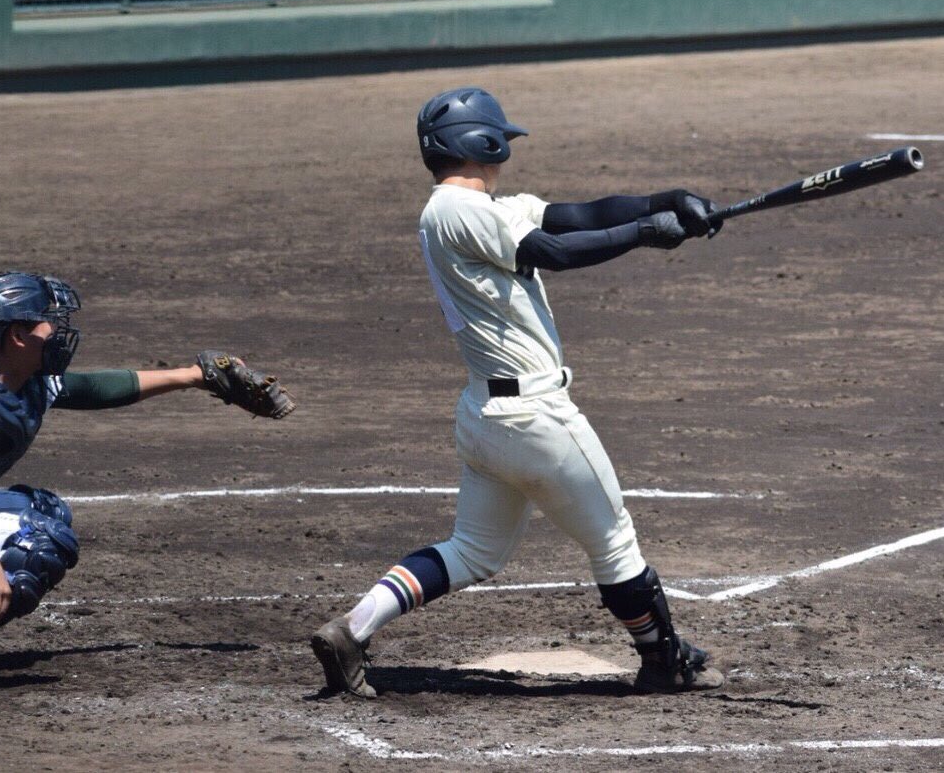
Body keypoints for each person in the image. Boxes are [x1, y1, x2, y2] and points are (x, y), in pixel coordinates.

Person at [310, 87, 726, 697]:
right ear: (483, 141)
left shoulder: (484, 209)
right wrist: (646, 233)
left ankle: (353, 629)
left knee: (474, 550)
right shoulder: (456, 209)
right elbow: (554, 251)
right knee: (613, 542)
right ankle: (664, 660)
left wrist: (670, 203)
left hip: (489, 417)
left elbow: (577, 215)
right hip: (536, 417)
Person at [0, 271, 293, 697]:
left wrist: (191, 377)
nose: (58, 330)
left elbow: (91, 388)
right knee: (35, 544)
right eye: (48, 322)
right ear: (16, 334)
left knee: (46, 511)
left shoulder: (10, 373)